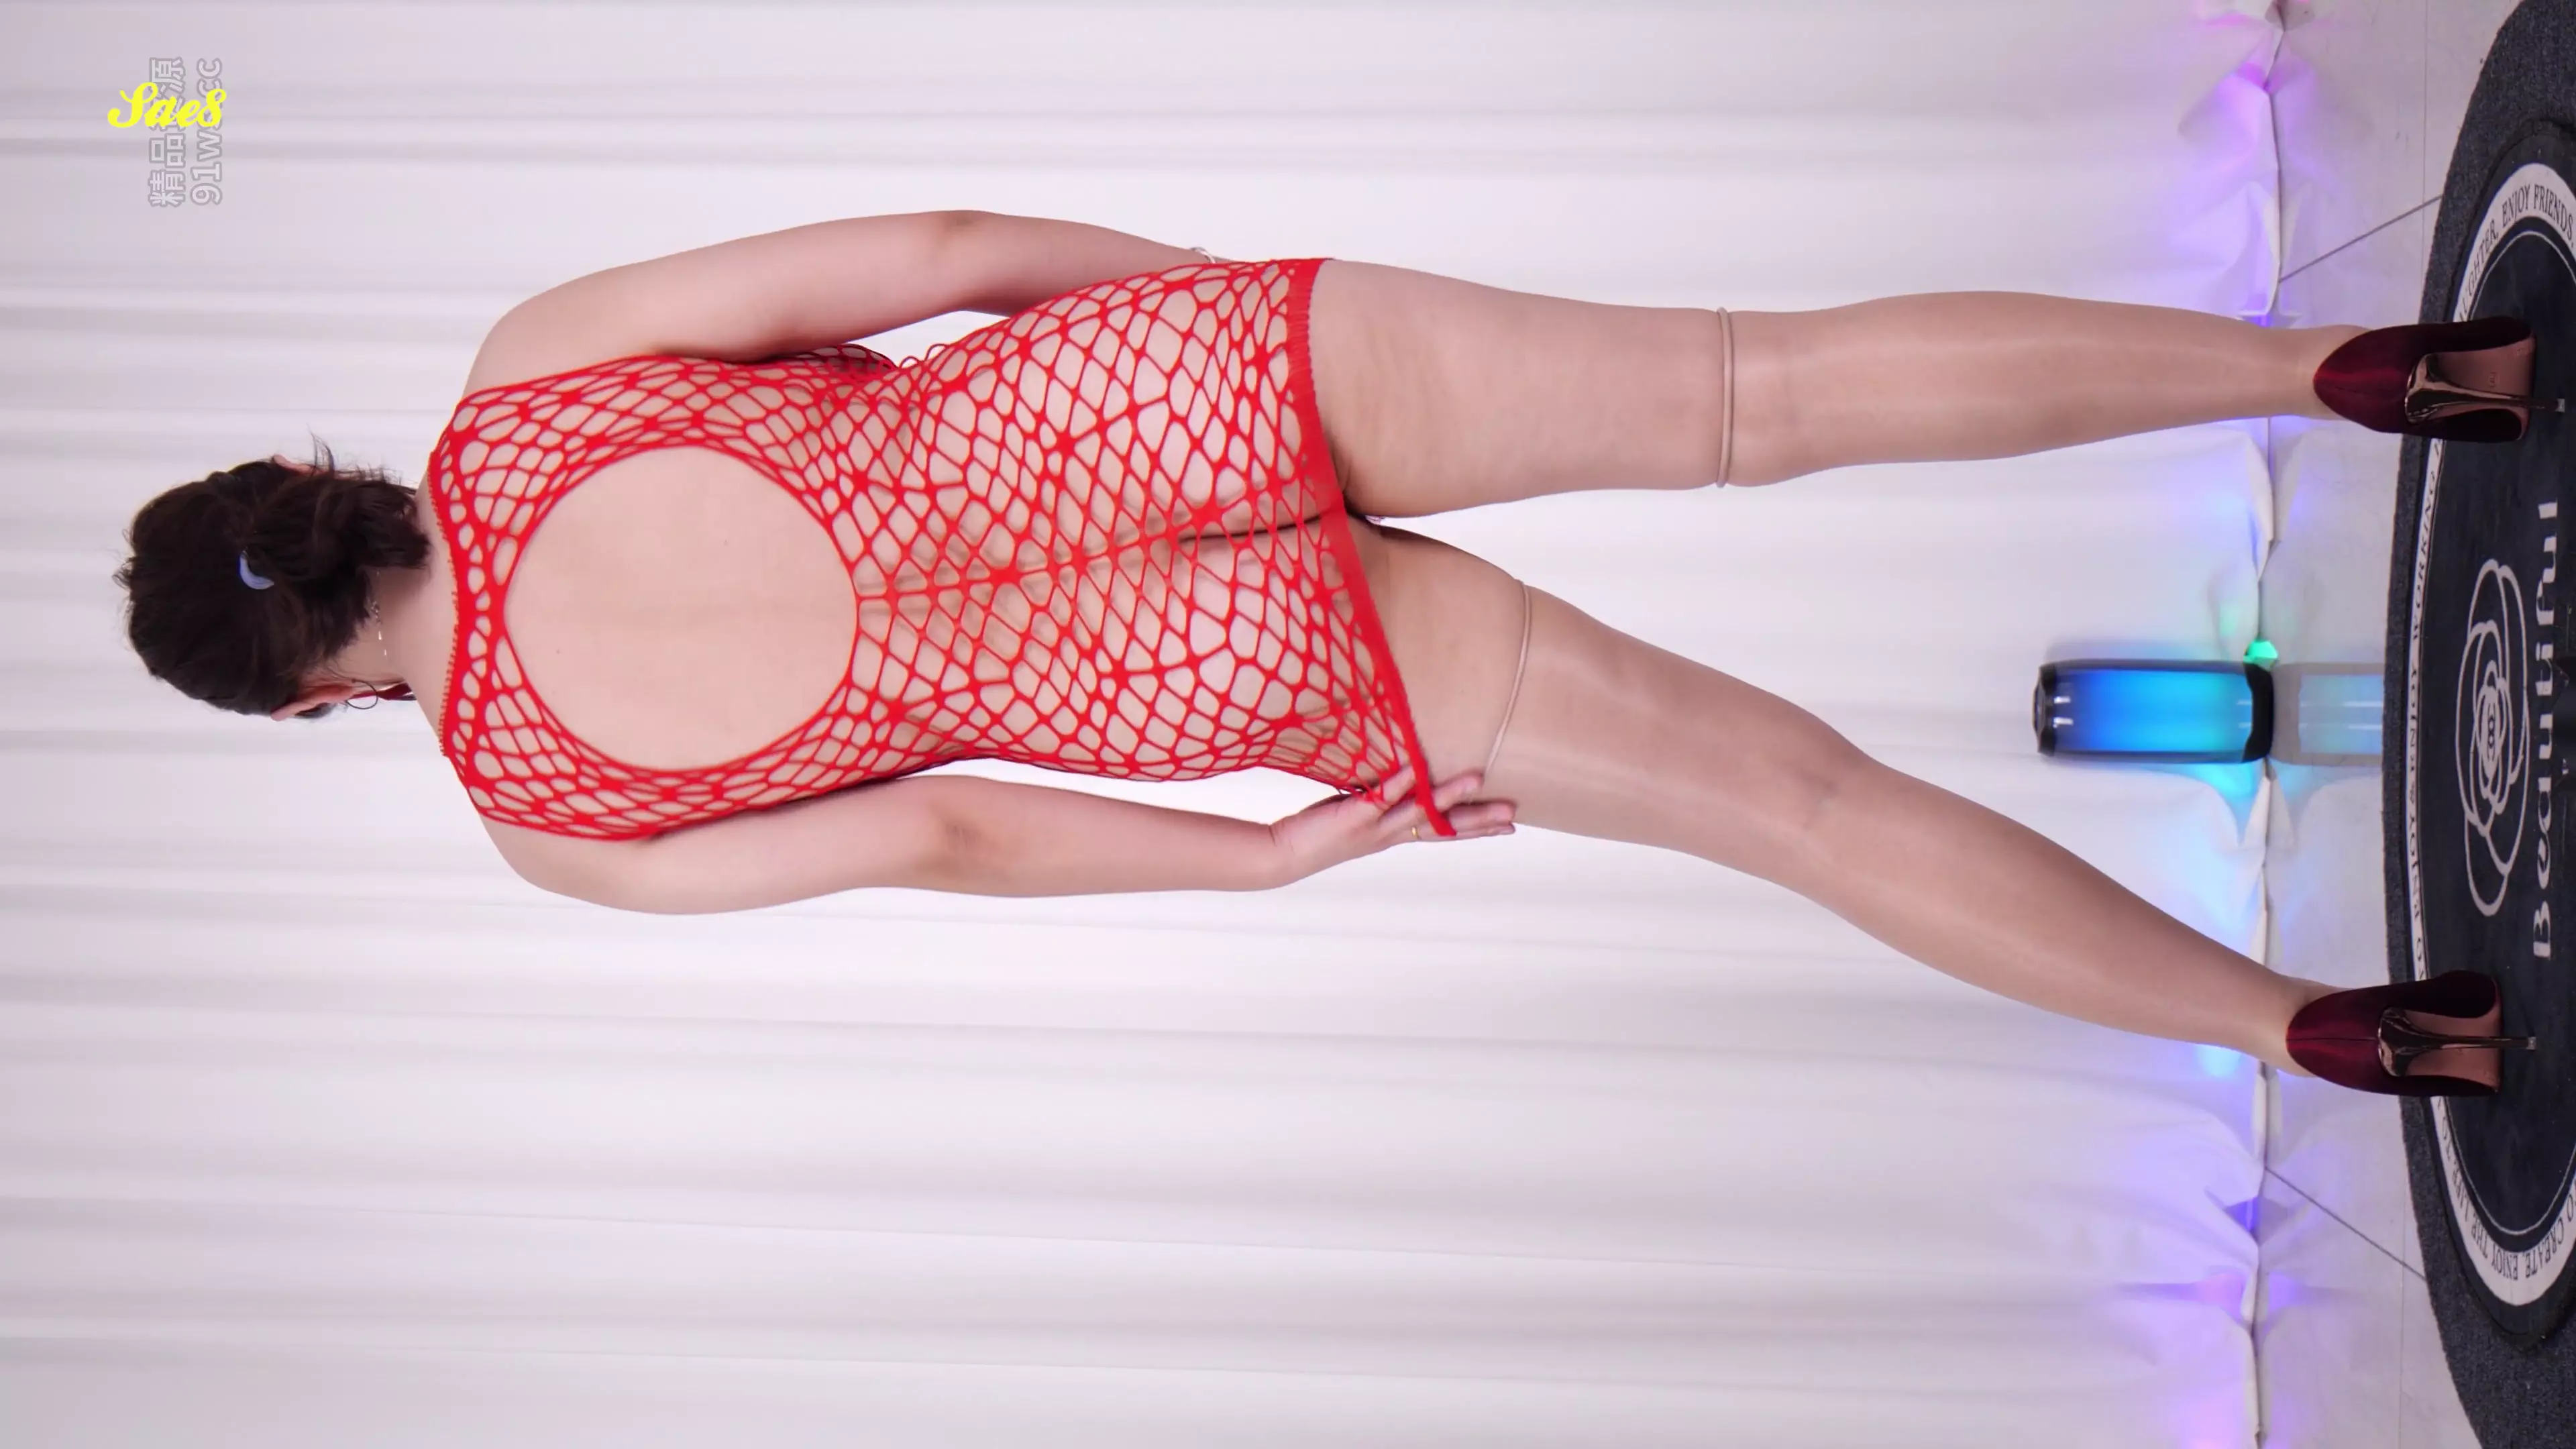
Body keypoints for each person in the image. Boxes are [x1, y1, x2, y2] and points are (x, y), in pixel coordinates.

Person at [118, 210, 2547, 1097]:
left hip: (1191, 660)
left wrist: (1269, 861)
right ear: (306, 480)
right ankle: (2351, 368)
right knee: (1758, 388)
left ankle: (2332, 1034)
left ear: (313, 698)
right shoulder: (526, 375)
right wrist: (1209, 304)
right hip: (1141, 399)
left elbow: (944, 832)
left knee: (1811, 815)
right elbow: (931, 252)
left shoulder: (554, 828)